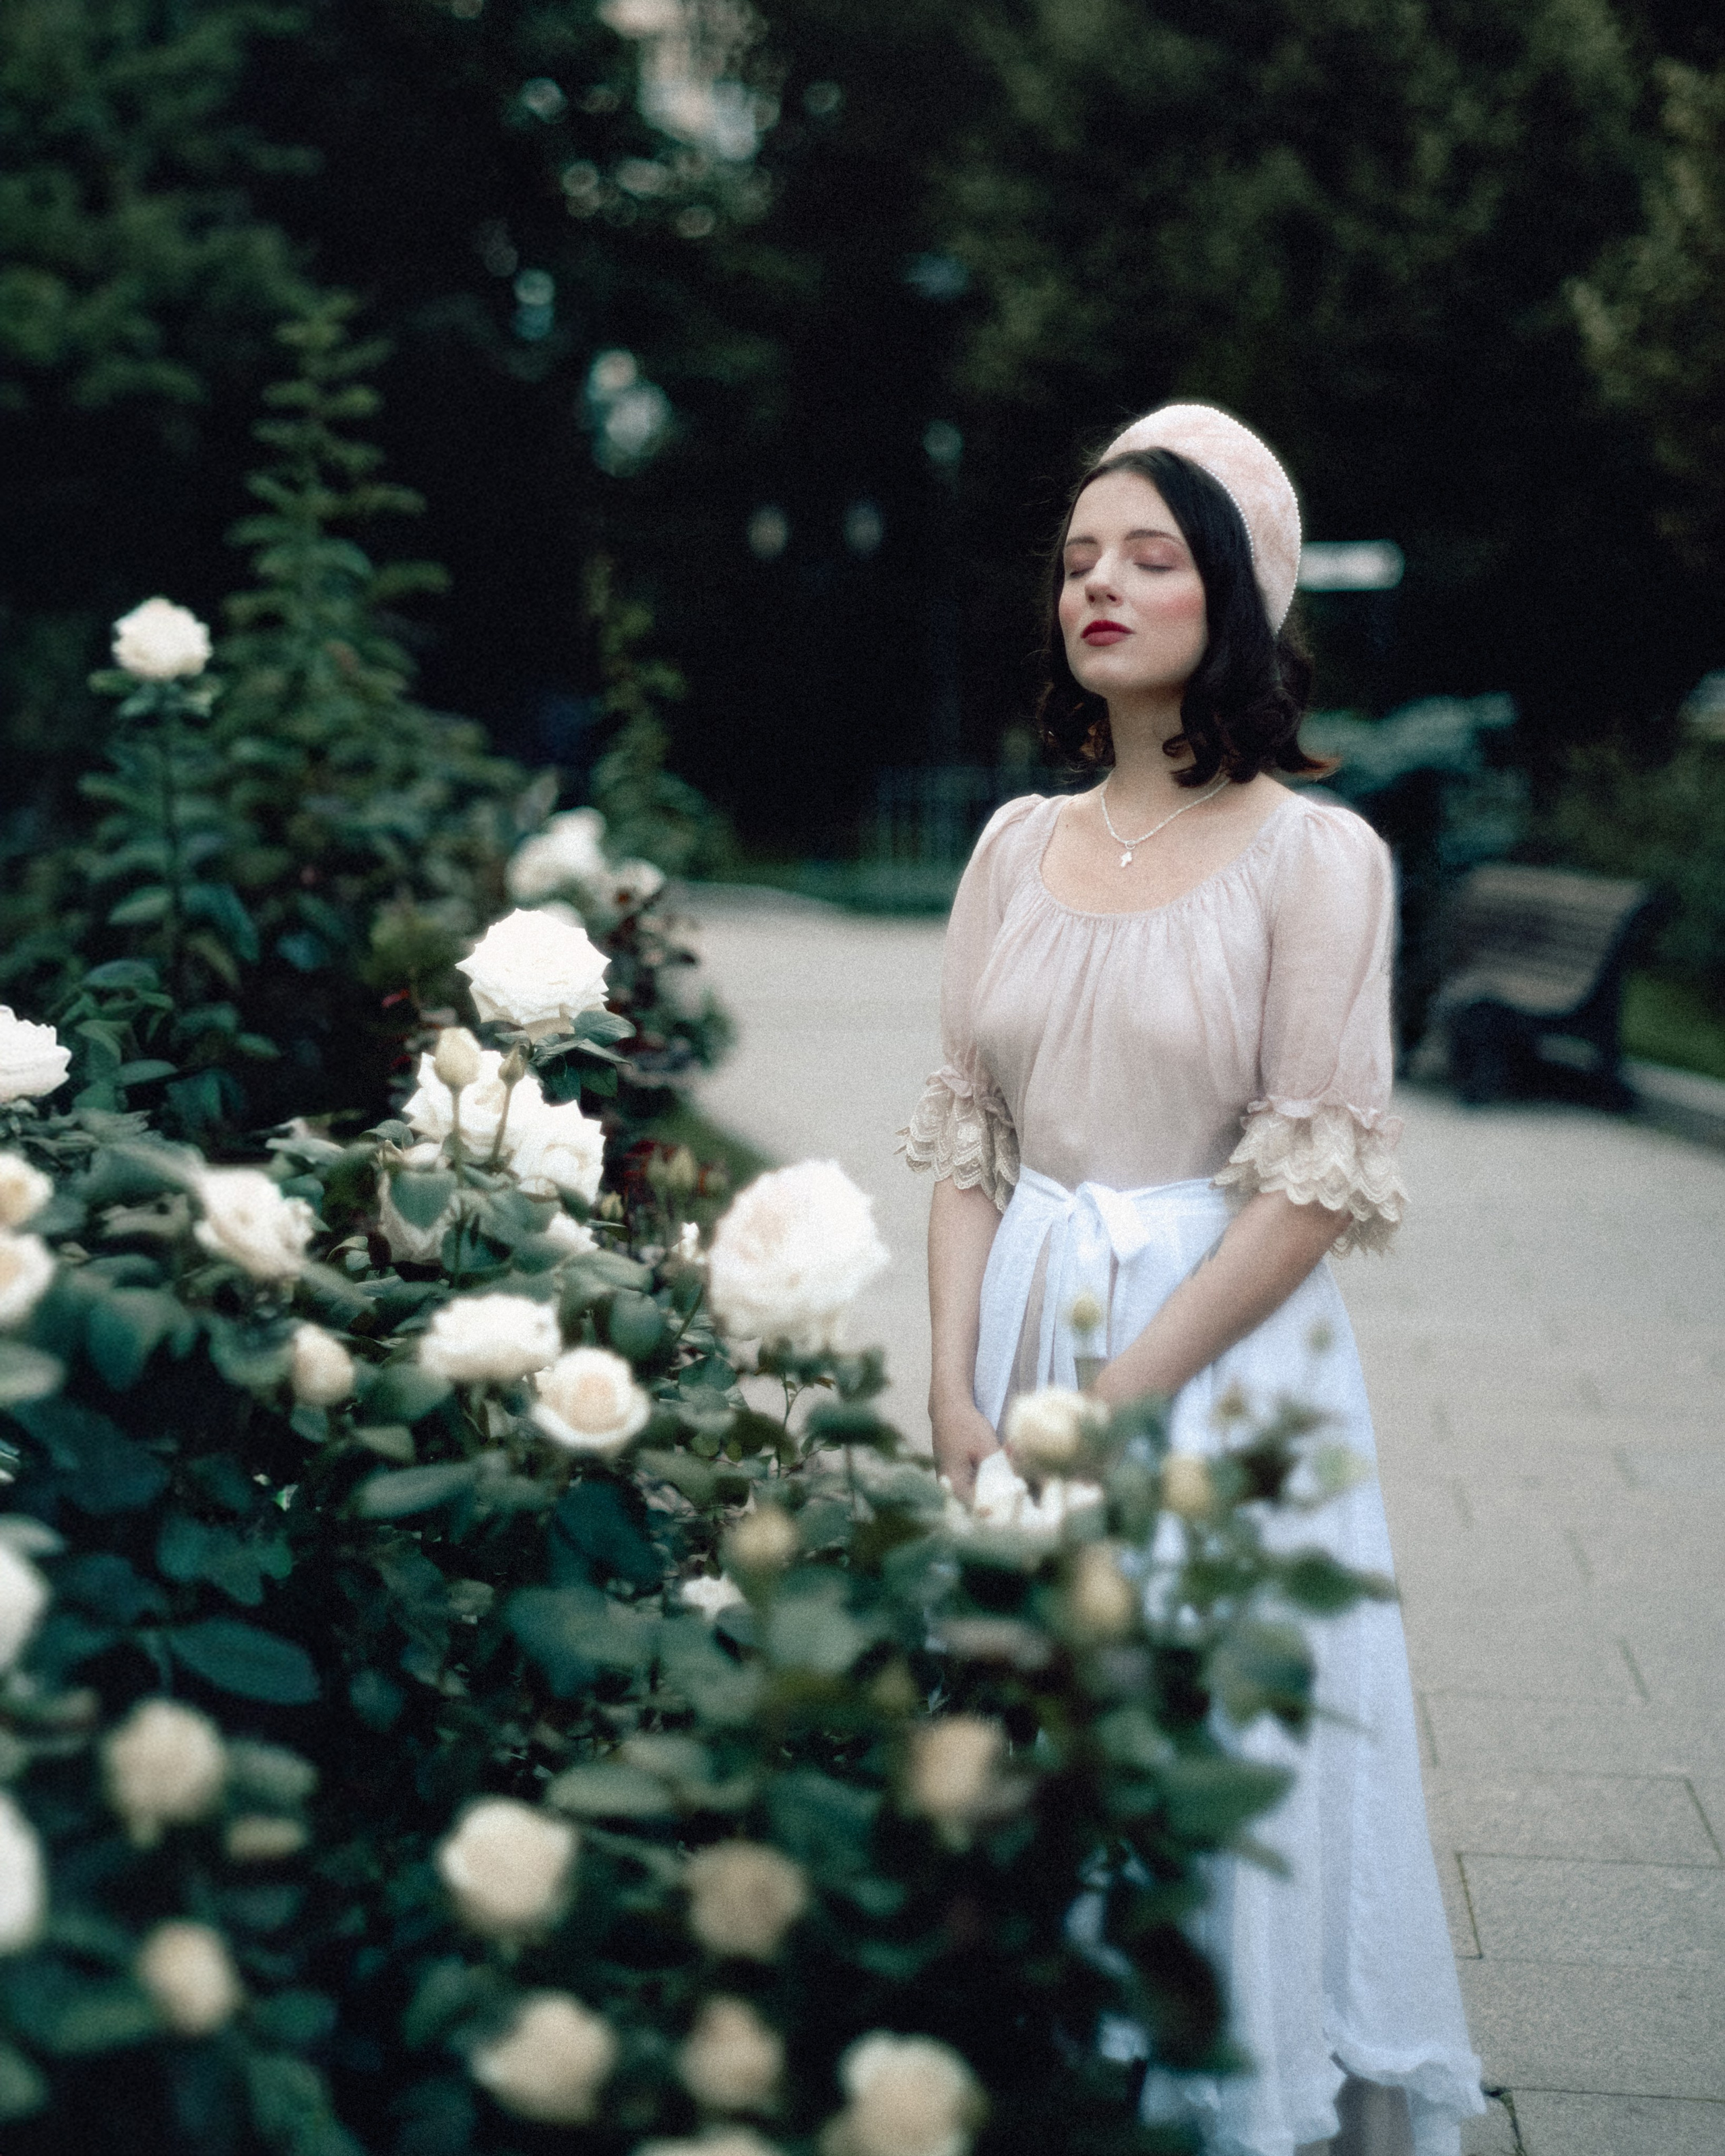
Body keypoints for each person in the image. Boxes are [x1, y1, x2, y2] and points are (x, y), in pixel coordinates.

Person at [901, 405, 1484, 2156]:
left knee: (1211, 1747)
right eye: (1082, 556)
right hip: (1015, 1351)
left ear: (1238, 595)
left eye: (1153, 555)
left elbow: (1309, 1188)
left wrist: (1112, 1404)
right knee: (1026, 1732)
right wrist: (955, 1387)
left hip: (1216, 1372)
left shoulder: (1323, 859)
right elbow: (965, 1149)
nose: (1103, 584)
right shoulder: (1013, 844)